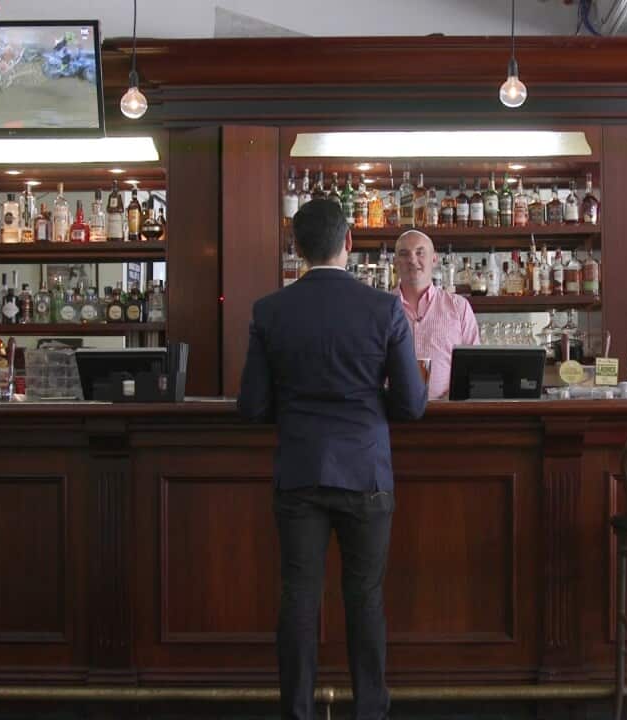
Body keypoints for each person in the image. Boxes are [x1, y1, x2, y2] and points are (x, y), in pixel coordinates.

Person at [238, 199, 427, 720]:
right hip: (366, 470)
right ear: (350, 243)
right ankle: (370, 711)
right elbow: (411, 405)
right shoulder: (383, 309)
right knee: (364, 596)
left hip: (300, 469)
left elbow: (251, 406)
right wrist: (369, 402)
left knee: (299, 597)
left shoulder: (270, 310)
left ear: (296, 249)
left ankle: (296, 712)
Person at [393, 230, 480, 399]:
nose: (412, 260)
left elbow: (474, 366)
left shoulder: (459, 307)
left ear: (434, 259)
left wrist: (450, 401)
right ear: (395, 262)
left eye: (420, 252)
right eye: (404, 254)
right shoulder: (381, 308)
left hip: (448, 414)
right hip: (393, 414)